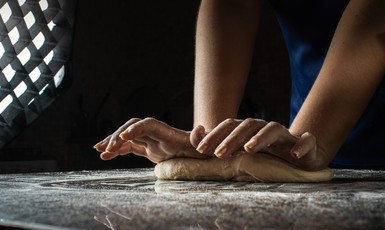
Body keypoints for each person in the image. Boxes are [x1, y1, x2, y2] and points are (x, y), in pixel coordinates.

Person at [94, 0, 385, 171]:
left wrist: (316, 140)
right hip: (305, 139)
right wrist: (211, 144)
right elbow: (232, 6)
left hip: (324, 131)